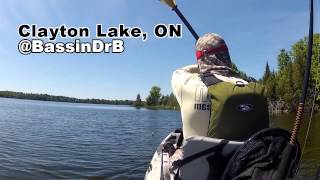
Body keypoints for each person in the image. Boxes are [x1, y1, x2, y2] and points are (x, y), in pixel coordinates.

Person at [172, 33, 269, 140]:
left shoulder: (188, 83)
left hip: (201, 156)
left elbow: (179, 72)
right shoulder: (253, 88)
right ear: (227, 56)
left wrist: (202, 63)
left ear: (200, 58)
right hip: (250, 155)